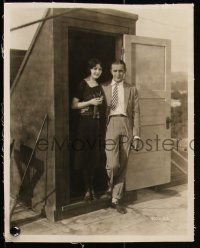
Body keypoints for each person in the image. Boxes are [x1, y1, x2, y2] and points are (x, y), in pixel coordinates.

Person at [101, 60, 140, 214]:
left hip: (127, 125)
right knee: (113, 164)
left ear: (125, 72)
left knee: (123, 164)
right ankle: (110, 186)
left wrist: (136, 135)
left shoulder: (132, 89)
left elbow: (136, 113)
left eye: (121, 71)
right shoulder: (103, 87)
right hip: (110, 124)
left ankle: (115, 199)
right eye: (115, 71)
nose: (118, 74)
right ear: (111, 71)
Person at [71, 58, 105, 201]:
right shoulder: (82, 84)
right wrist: (90, 102)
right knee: (85, 156)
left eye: (100, 69)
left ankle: (93, 187)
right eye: (94, 69)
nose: (97, 71)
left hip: (96, 124)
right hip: (84, 125)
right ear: (89, 69)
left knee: (94, 157)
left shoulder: (100, 86)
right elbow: (74, 105)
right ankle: (87, 189)